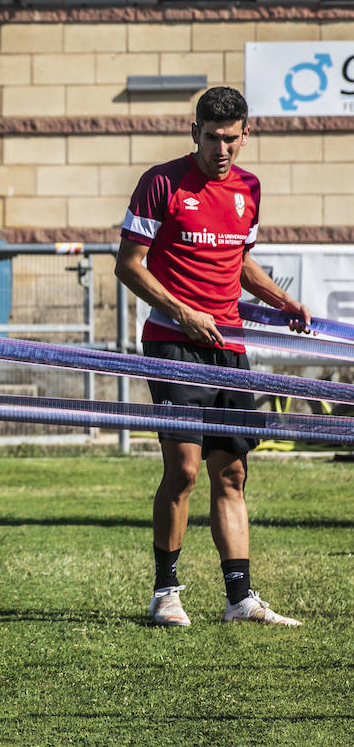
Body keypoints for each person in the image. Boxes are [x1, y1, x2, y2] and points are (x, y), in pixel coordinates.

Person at [116, 86, 310, 629]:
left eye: (231, 138)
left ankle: (240, 600)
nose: (221, 149)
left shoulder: (249, 188)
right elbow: (129, 266)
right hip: (171, 343)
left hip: (228, 345)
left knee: (232, 472)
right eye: (211, 138)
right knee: (182, 470)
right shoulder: (161, 182)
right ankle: (165, 594)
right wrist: (181, 312)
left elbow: (241, 262)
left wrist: (283, 300)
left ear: (246, 134)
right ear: (193, 131)